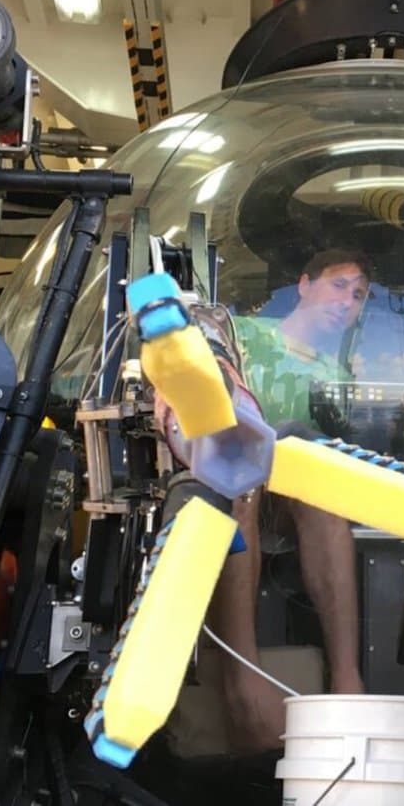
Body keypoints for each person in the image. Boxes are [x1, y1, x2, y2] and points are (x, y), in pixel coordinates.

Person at [160, 250, 372, 754]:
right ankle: (243, 678)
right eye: (340, 285)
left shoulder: (341, 376)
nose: (348, 301)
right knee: (243, 469)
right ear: (304, 284)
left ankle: (348, 678)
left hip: (294, 493)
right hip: (231, 478)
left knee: (323, 485)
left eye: (359, 295)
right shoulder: (245, 336)